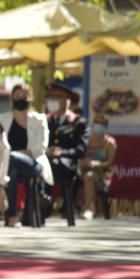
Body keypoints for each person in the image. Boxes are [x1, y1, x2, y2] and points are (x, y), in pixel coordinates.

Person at [0, 83, 53, 227]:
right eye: (17, 96)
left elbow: (41, 147)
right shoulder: (2, 119)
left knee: (12, 158)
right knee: (12, 171)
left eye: (24, 96)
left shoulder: (40, 119)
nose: (21, 99)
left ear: (31, 98)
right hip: (8, 165)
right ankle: (13, 216)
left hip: (34, 163)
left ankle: (11, 214)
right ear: (12, 99)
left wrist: (17, 153)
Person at [46, 80, 89, 217]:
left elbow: (81, 149)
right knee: (40, 167)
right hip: (46, 161)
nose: (53, 101)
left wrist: (61, 152)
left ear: (68, 100)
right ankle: (42, 204)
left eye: (58, 97)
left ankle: (67, 207)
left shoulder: (79, 122)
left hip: (68, 165)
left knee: (56, 166)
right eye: (51, 97)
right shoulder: (44, 120)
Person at [80, 113, 116, 220]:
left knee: (89, 176)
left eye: (102, 124)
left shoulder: (110, 143)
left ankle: (90, 208)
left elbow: (110, 162)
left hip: (102, 173)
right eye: (97, 123)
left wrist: (97, 164)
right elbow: (80, 155)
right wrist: (83, 162)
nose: (98, 126)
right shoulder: (86, 140)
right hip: (83, 168)